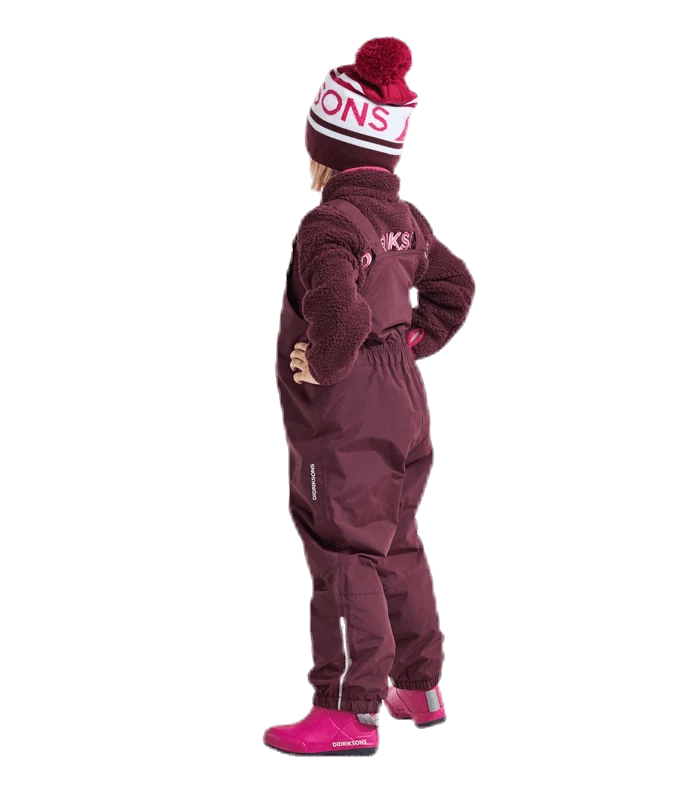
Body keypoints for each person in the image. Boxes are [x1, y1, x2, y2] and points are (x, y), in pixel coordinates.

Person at [266, 37, 475, 758]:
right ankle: (420, 687)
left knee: (342, 548)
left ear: (326, 151)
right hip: (404, 402)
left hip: (347, 413)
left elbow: (344, 316)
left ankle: (346, 710)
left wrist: (322, 364)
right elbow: (454, 287)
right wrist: (417, 338)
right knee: (397, 539)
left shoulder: (327, 225)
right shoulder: (405, 220)